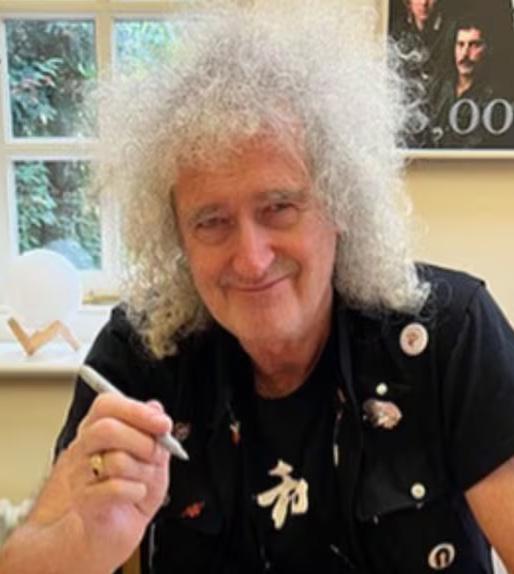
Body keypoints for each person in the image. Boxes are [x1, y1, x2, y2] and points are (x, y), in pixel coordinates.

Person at [1, 1, 514, 573]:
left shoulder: (449, 336)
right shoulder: (140, 356)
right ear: (177, 235)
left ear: (340, 203)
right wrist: (83, 542)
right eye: (211, 221)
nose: (250, 259)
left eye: (279, 207)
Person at [429, 14, 514, 148]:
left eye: (474, 45)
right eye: (460, 44)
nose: (464, 54)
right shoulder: (438, 88)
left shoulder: (498, 99)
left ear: (488, 49)